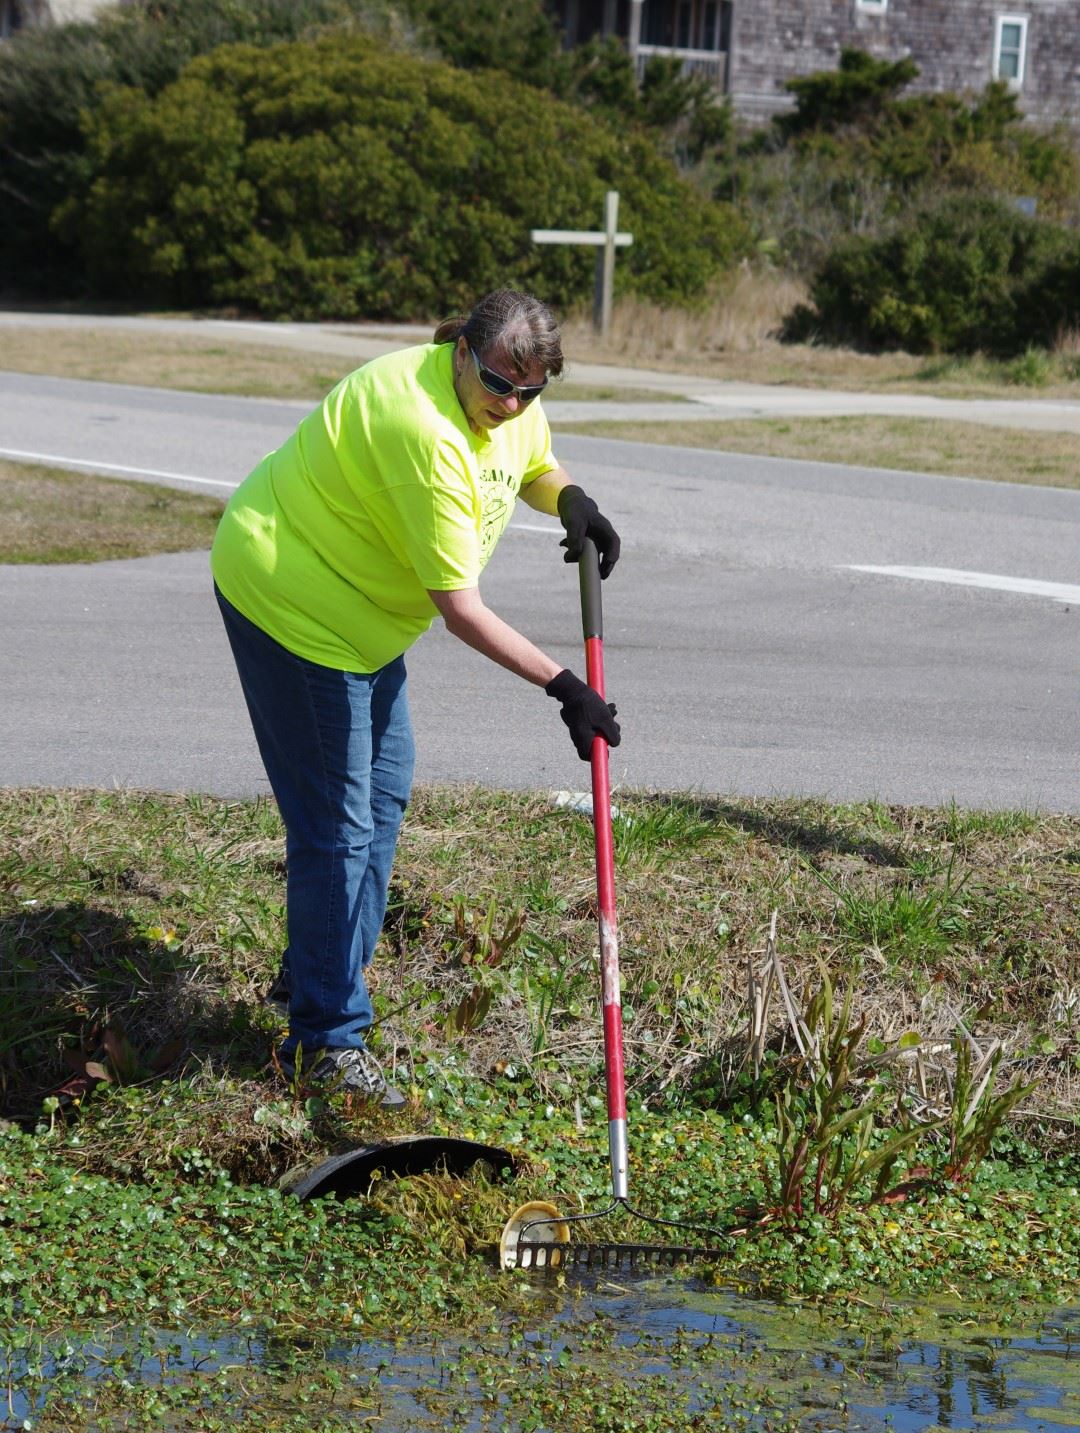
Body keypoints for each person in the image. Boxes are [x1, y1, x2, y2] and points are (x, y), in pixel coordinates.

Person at [210, 289, 621, 1108]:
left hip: (363, 619)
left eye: (532, 391)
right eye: (502, 384)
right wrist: (562, 686)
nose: (512, 405)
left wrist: (571, 498)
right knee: (338, 826)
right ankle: (326, 1041)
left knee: (385, 791)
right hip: (293, 603)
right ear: (463, 352)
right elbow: (461, 609)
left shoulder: (505, 402)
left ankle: (315, 971)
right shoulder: (422, 428)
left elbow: (534, 458)